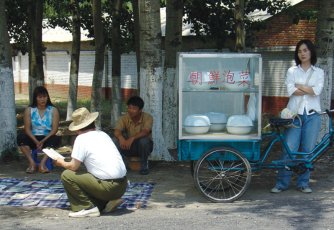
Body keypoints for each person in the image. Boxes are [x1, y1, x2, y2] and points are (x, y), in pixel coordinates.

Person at [271, 39, 324, 194]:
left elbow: (317, 91)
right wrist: (308, 88)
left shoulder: (319, 72)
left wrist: (299, 86)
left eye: (305, 50)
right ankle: (282, 183)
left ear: (311, 52)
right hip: (294, 115)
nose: (303, 53)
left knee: (308, 150)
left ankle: (303, 183)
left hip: (313, 115)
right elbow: (290, 91)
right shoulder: (292, 71)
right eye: (300, 51)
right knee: (290, 148)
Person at [54, 107, 127, 218]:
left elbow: (73, 166)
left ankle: (87, 207)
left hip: (108, 187)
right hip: (122, 185)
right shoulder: (103, 134)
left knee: (67, 175)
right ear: (93, 123)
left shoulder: (81, 139)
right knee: (82, 172)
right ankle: (106, 202)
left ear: (77, 129)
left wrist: (61, 162)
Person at [17, 86, 61, 174]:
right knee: (21, 137)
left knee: (56, 139)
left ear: (47, 97)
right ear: (35, 98)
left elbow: (54, 130)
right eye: (40, 97)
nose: (42, 99)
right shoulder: (29, 110)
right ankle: (32, 163)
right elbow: (27, 129)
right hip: (33, 137)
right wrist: (36, 141)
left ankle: (42, 164)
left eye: (44, 97)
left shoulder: (53, 110)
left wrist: (42, 141)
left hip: (47, 137)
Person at [114, 96, 153, 175]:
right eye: (129, 108)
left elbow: (146, 131)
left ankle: (144, 166)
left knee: (144, 141)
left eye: (134, 108)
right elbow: (117, 131)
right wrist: (121, 138)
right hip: (127, 146)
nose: (131, 110)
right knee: (114, 140)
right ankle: (121, 165)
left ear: (140, 110)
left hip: (143, 147)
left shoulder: (148, 117)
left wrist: (132, 138)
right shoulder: (123, 118)